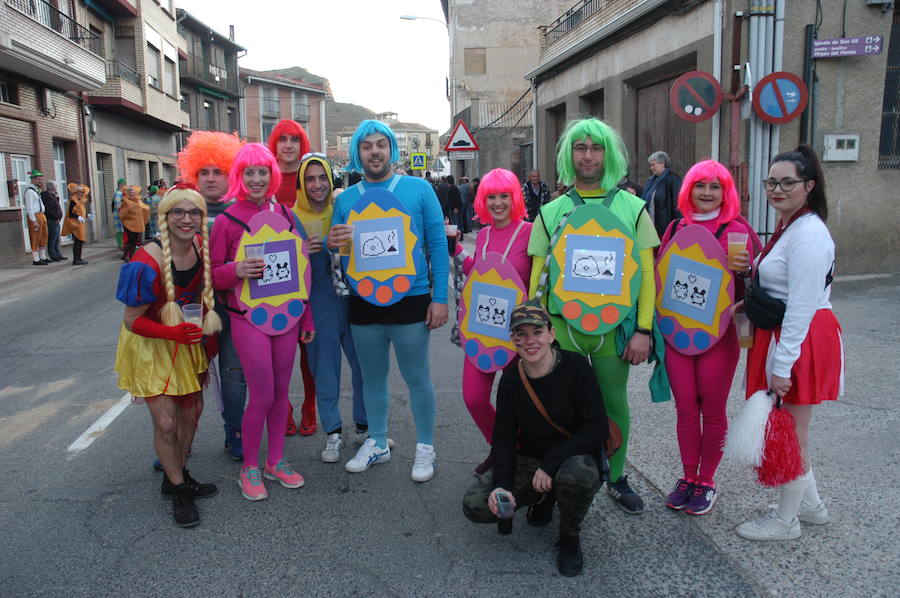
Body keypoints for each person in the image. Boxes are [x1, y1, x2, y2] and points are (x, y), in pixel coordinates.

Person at [527, 117, 660, 514]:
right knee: (557, 405)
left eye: (596, 148)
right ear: (570, 154)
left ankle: (616, 478)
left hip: (613, 328)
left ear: (609, 154)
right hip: (563, 329)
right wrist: (537, 332)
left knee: (613, 404)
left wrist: (643, 330)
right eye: (581, 148)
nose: (588, 155)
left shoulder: (633, 208)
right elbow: (537, 280)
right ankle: (553, 479)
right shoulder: (551, 212)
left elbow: (648, 277)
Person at [328, 119, 448, 482]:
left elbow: (438, 245)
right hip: (364, 303)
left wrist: (439, 298)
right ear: (357, 154)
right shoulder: (346, 199)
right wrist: (333, 242)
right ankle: (378, 442)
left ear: (392, 149)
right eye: (367, 146)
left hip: (411, 298)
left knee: (416, 376)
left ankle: (425, 448)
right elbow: (339, 250)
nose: (375, 151)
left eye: (381, 144)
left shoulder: (419, 189)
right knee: (371, 378)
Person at [736, 145, 843, 541]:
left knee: (793, 433)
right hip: (786, 335)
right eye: (771, 182)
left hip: (799, 338)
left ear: (808, 185)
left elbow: (800, 305)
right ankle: (811, 507)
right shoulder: (791, 227)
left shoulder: (810, 234)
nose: (777, 189)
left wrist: (782, 366)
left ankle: (786, 521)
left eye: (787, 182)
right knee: (793, 427)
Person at [462, 300, 608, 577]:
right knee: (475, 505)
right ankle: (545, 497)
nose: (530, 341)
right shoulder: (511, 380)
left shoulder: (576, 368)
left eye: (537, 332)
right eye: (521, 334)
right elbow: (503, 438)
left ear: (552, 334)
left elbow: (597, 428)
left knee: (578, 476)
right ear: (513, 340)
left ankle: (569, 538)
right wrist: (502, 486)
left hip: (573, 456)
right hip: (530, 459)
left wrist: (551, 463)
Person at [210, 143, 315, 501]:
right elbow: (211, 276)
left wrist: (307, 316)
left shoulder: (285, 215)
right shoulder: (226, 221)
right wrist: (235, 269)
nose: (256, 179)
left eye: (262, 172)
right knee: (263, 394)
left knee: (283, 393)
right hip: (247, 319)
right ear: (239, 177)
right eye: (249, 172)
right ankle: (249, 467)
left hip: (286, 317)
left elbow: (302, 271)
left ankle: (275, 460)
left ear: (272, 175)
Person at [114, 186, 222, 527]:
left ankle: (178, 472)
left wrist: (207, 337)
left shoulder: (199, 248)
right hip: (149, 342)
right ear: (165, 216)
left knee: (192, 413)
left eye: (194, 213)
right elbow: (133, 321)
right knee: (166, 422)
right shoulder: (146, 261)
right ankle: (178, 491)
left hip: (185, 341)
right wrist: (171, 333)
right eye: (178, 212)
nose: (186, 219)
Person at [658, 160, 760, 515]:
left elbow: (756, 285)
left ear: (726, 192)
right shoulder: (674, 227)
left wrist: (746, 271)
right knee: (686, 409)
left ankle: (707, 481)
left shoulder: (737, 230)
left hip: (722, 335)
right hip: (679, 335)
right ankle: (688, 477)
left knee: (712, 409)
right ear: (689, 190)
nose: (706, 193)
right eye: (700, 185)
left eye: (715, 187)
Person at [176, 130, 247, 461]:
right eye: (203, 171)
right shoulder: (181, 212)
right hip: (191, 311)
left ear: (230, 172)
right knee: (184, 379)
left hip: (234, 310)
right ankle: (176, 443)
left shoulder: (243, 213)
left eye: (217, 170)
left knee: (234, 377)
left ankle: (234, 432)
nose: (210, 178)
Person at [292, 153, 368, 462]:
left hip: (353, 300)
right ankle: (333, 433)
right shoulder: (290, 217)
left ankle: (365, 427)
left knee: (364, 365)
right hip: (318, 303)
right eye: (310, 179)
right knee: (324, 370)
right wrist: (300, 251)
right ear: (301, 183)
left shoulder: (346, 208)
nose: (317, 185)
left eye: (322, 177)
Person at [453, 168, 532, 461]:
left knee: (520, 406)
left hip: (520, 335)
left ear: (514, 199)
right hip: (483, 329)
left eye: (503, 196)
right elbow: (477, 271)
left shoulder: (531, 232)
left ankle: (519, 457)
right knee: (473, 398)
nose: (497, 203)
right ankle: (503, 449)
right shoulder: (483, 234)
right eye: (491, 197)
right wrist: (456, 248)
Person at [267, 119, 317, 437]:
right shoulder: (265, 177)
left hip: (310, 276)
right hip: (274, 278)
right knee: (277, 356)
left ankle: (310, 409)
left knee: (309, 352)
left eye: (294, 139)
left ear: (302, 144)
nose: (288, 144)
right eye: (282, 139)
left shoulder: (310, 177)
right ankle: (282, 410)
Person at [641, 151, 682, 238]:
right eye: (650, 165)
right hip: (651, 228)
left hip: (665, 230)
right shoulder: (651, 181)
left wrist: (677, 228)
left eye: (653, 165)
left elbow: (678, 205)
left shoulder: (673, 180)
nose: (651, 168)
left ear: (662, 163)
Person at [23, 170, 50, 266]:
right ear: (33, 179)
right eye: (39, 179)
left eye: (41, 179)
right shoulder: (29, 192)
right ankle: (36, 259)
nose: (41, 181)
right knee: (35, 237)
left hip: (41, 215)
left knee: (43, 236)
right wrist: (33, 220)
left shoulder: (36, 190)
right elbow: (29, 207)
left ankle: (42, 257)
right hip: (35, 216)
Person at [62, 183, 91, 265]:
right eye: (79, 192)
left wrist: (87, 215)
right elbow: (71, 213)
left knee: (80, 241)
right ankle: (76, 259)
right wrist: (78, 217)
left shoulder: (80, 201)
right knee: (77, 241)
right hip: (75, 224)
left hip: (80, 224)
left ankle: (79, 257)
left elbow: (82, 211)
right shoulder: (73, 201)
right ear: (76, 192)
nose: (80, 194)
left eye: (82, 192)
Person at [119, 185, 149, 262]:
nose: (132, 194)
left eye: (133, 192)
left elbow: (145, 208)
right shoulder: (126, 201)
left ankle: (131, 256)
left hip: (137, 224)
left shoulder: (138, 201)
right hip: (128, 223)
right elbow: (123, 213)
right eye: (131, 192)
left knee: (134, 241)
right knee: (130, 240)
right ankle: (125, 255)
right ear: (128, 193)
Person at [41, 181, 66, 262]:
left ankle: (58, 254)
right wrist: (56, 217)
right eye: (55, 186)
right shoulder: (47, 196)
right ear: (51, 187)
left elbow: (56, 205)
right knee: (52, 238)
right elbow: (49, 209)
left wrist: (57, 196)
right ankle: (53, 255)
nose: (57, 187)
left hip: (56, 220)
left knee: (56, 239)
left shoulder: (53, 195)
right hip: (52, 220)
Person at [112, 178, 126, 250]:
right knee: (119, 230)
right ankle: (121, 245)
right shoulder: (118, 193)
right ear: (120, 185)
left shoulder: (121, 193)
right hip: (119, 213)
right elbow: (118, 205)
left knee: (122, 230)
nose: (125, 186)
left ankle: (122, 244)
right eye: (124, 184)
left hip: (121, 213)